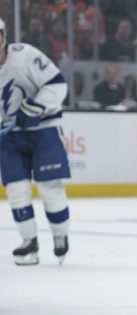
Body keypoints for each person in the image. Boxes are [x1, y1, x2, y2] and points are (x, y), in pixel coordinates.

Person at [0, 17, 70, 265]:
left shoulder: (25, 55)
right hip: (9, 137)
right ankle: (28, 241)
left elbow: (58, 84)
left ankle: (60, 235)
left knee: (50, 187)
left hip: (43, 129)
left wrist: (36, 107)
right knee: (16, 190)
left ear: (4, 37)